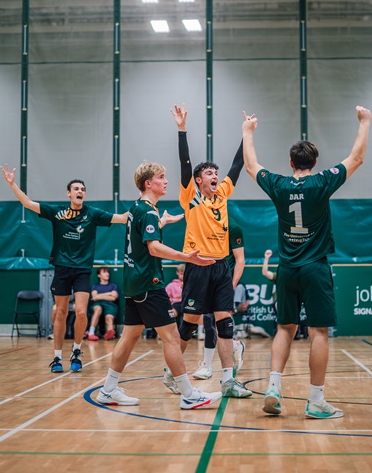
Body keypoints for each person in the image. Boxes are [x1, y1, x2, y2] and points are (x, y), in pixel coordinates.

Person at [242, 105, 372, 418]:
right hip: (315, 267)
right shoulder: (322, 182)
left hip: (286, 269)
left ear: (290, 162)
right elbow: (356, 158)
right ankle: (315, 401)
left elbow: (251, 166)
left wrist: (247, 132)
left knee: (284, 329)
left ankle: (273, 386)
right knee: (318, 332)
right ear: (314, 163)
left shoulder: (279, 184)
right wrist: (365, 122)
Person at [96, 162, 222, 410]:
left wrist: (162, 223)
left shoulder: (137, 209)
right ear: (148, 183)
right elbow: (153, 247)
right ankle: (188, 394)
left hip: (133, 282)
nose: (166, 181)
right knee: (172, 338)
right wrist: (187, 257)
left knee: (130, 335)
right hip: (148, 283)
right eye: (161, 177)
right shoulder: (148, 212)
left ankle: (107, 389)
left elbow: (142, 240)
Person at [1, 166, 128, 374]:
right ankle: (57, 357)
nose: (80, 191)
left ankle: (76, 351)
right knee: (60, 312)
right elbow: (28, 203)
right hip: (62, 268)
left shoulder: (92, 214)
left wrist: (145, 202)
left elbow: (122, 218)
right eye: (76, 188)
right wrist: (12, 184)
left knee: (80, 312)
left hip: (82, 270)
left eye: (83, 189)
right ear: (68, 193)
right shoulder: (57, 213)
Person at [165, 103, 251, 399]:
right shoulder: (189, 195)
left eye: (216, 172)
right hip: (198, 265)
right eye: (209, 173)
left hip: (221, 267)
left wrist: (246, 133)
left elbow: (237, 165)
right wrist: (181, 129)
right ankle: (171, 372)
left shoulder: (223, 193)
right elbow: (185, 163)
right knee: (189, 323)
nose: (215, 175)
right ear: (199, 181)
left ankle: (228, 381)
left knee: (224, 320)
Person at [194, 217, 246, 380]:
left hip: (224, 282)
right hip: (205, 278)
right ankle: (236, 346)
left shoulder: (233, 227)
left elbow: (240, 260)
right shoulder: (201, 222)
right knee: (209, 321)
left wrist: (231, 285)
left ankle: (207, 365)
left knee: (214, 322)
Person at [86, 267, 119, 341]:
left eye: (108, 272)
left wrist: (99, 296)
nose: (107, 274)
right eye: (104, 272)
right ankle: (91, 333)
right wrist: (109, 293)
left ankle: (109, 334)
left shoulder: (113, 286)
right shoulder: (95, 286)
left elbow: (113, 298)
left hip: (110, 305)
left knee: (109, 317)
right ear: (99, 275)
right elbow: (94, 297)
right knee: (98, 309)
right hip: (97, 304)